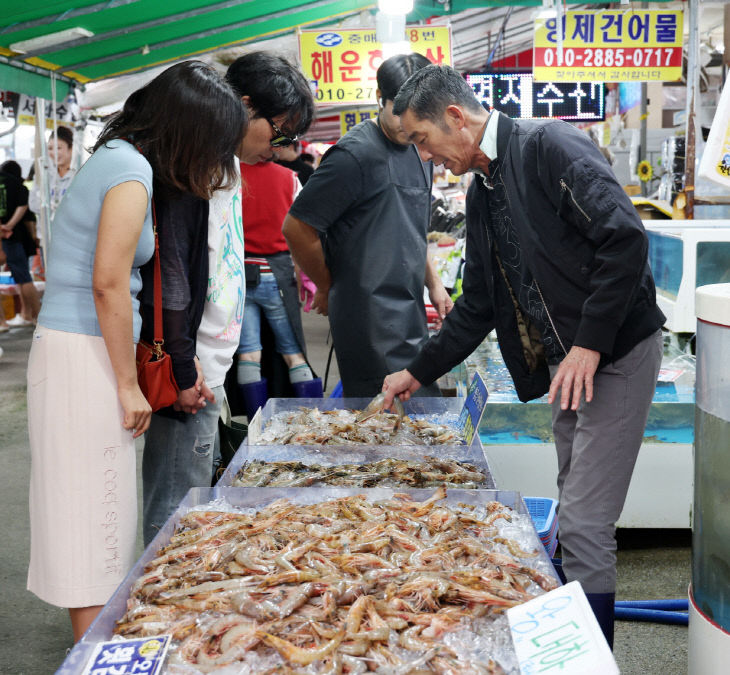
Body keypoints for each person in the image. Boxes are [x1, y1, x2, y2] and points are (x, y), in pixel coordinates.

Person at [382, 64, 666, 647]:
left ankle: (589, 658)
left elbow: (625, 238)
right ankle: (567, 637)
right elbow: (479, 302)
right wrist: (418, 370)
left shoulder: (549, 146)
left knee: (586, 523)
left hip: (615, 352)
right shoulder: (483, 188)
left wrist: (588, 341)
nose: (427, 157)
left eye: (423, 141)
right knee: (572, 498)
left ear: (455, 118)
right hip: (569, 364)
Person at [26, 60, 246, 642]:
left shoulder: (122, 160)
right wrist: (127, 384)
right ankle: (92, 655)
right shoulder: (129, 169)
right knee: (92, 529)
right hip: (83, 354)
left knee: (104, 526)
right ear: (188, 128)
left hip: (87, 350)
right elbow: (108, 282)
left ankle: (99, 652)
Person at [142, 51, 315, 546]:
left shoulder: (230, 169)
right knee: (175, 506)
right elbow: (172, 274)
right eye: (278, 131)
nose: (281, 146)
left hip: (206, 367)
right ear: (241, 107)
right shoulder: (192, 169)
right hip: (188, 369)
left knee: (193, 495)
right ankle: (159, 607)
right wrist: (181, 363)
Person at [282, 53, 453, 398]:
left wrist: (434, 284)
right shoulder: (352, 155)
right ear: (381, 99)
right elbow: (297, 227)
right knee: (381, 423)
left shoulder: (420, 150)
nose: (410, 124)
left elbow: (412, 228)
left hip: (409, 313)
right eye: (400, 111)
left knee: (416, 421)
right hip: (367, 321)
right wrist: (328, 286)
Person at [236, 159, 321, 420]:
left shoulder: (230, 174)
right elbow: (304, 226)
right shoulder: (289, 178)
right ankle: (309, 424)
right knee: (293, 353)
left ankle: (256, 426)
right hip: (278, 274)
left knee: (249, 354)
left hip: (240, 275)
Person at [0, 160, 41, 326]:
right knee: (24, 278)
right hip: (14, 237)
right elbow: (25, 208)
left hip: (7, 236)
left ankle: (6, 322)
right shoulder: (19, 185)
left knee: (22, 277)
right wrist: (9, 226)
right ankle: (36, 316)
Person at [28, 125, 76, 220]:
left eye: (58, 148)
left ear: (71, 149)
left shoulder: (78, 175)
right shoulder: (45, 174)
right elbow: (33, 204)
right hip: (46, 232)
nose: (54, 153)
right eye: (50, 148)